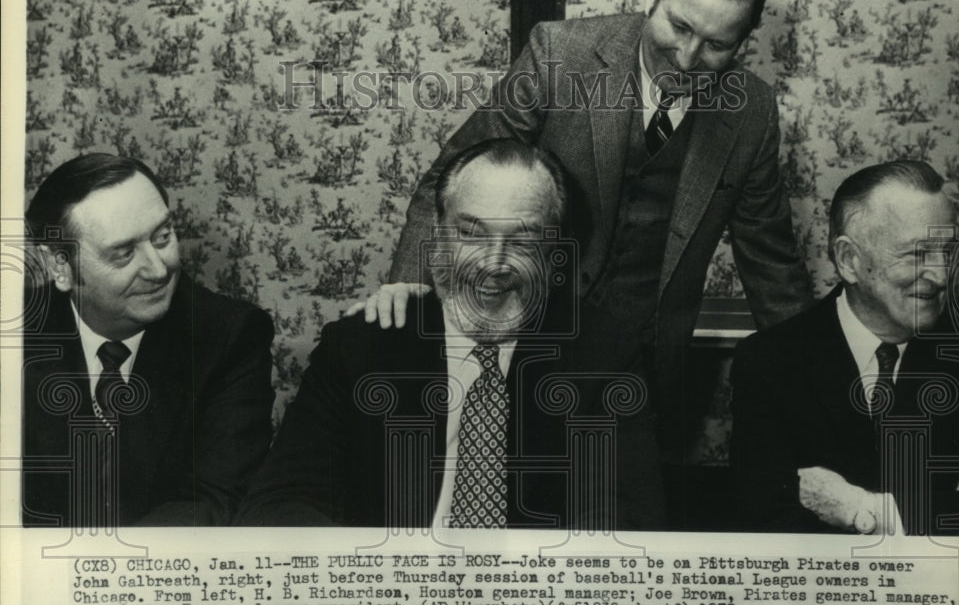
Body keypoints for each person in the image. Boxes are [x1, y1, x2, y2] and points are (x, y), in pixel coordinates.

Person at [365, 0, 813, 451]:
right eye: (679, 26)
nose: (688, 58)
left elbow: (772, 263)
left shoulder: (751, 112)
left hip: (642, 372)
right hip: (520, 342)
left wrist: (819, 372)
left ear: (743, 42)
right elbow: (448, 179)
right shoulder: (559, 54)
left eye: (716, 45)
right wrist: (410, 288)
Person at [238, 139, 666, 529]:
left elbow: (623, 515)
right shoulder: (362, 347)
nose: (493, 264)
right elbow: (285, 499)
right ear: (438, 234)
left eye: (523, 239)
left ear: (554, 250)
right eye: (471, 233)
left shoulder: (602, 355)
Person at [22, 153, 275, 527]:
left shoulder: (228, 335)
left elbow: (212, 498)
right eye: (123, 254)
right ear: (60, 265)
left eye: (163, 237)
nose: (159, 269)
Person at [729, 161, 959, 535]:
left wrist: (860, 509)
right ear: (849, 261)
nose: (940, 275)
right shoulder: (769, 362)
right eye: (916, 254)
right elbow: (765, 517)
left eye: (946, 251)